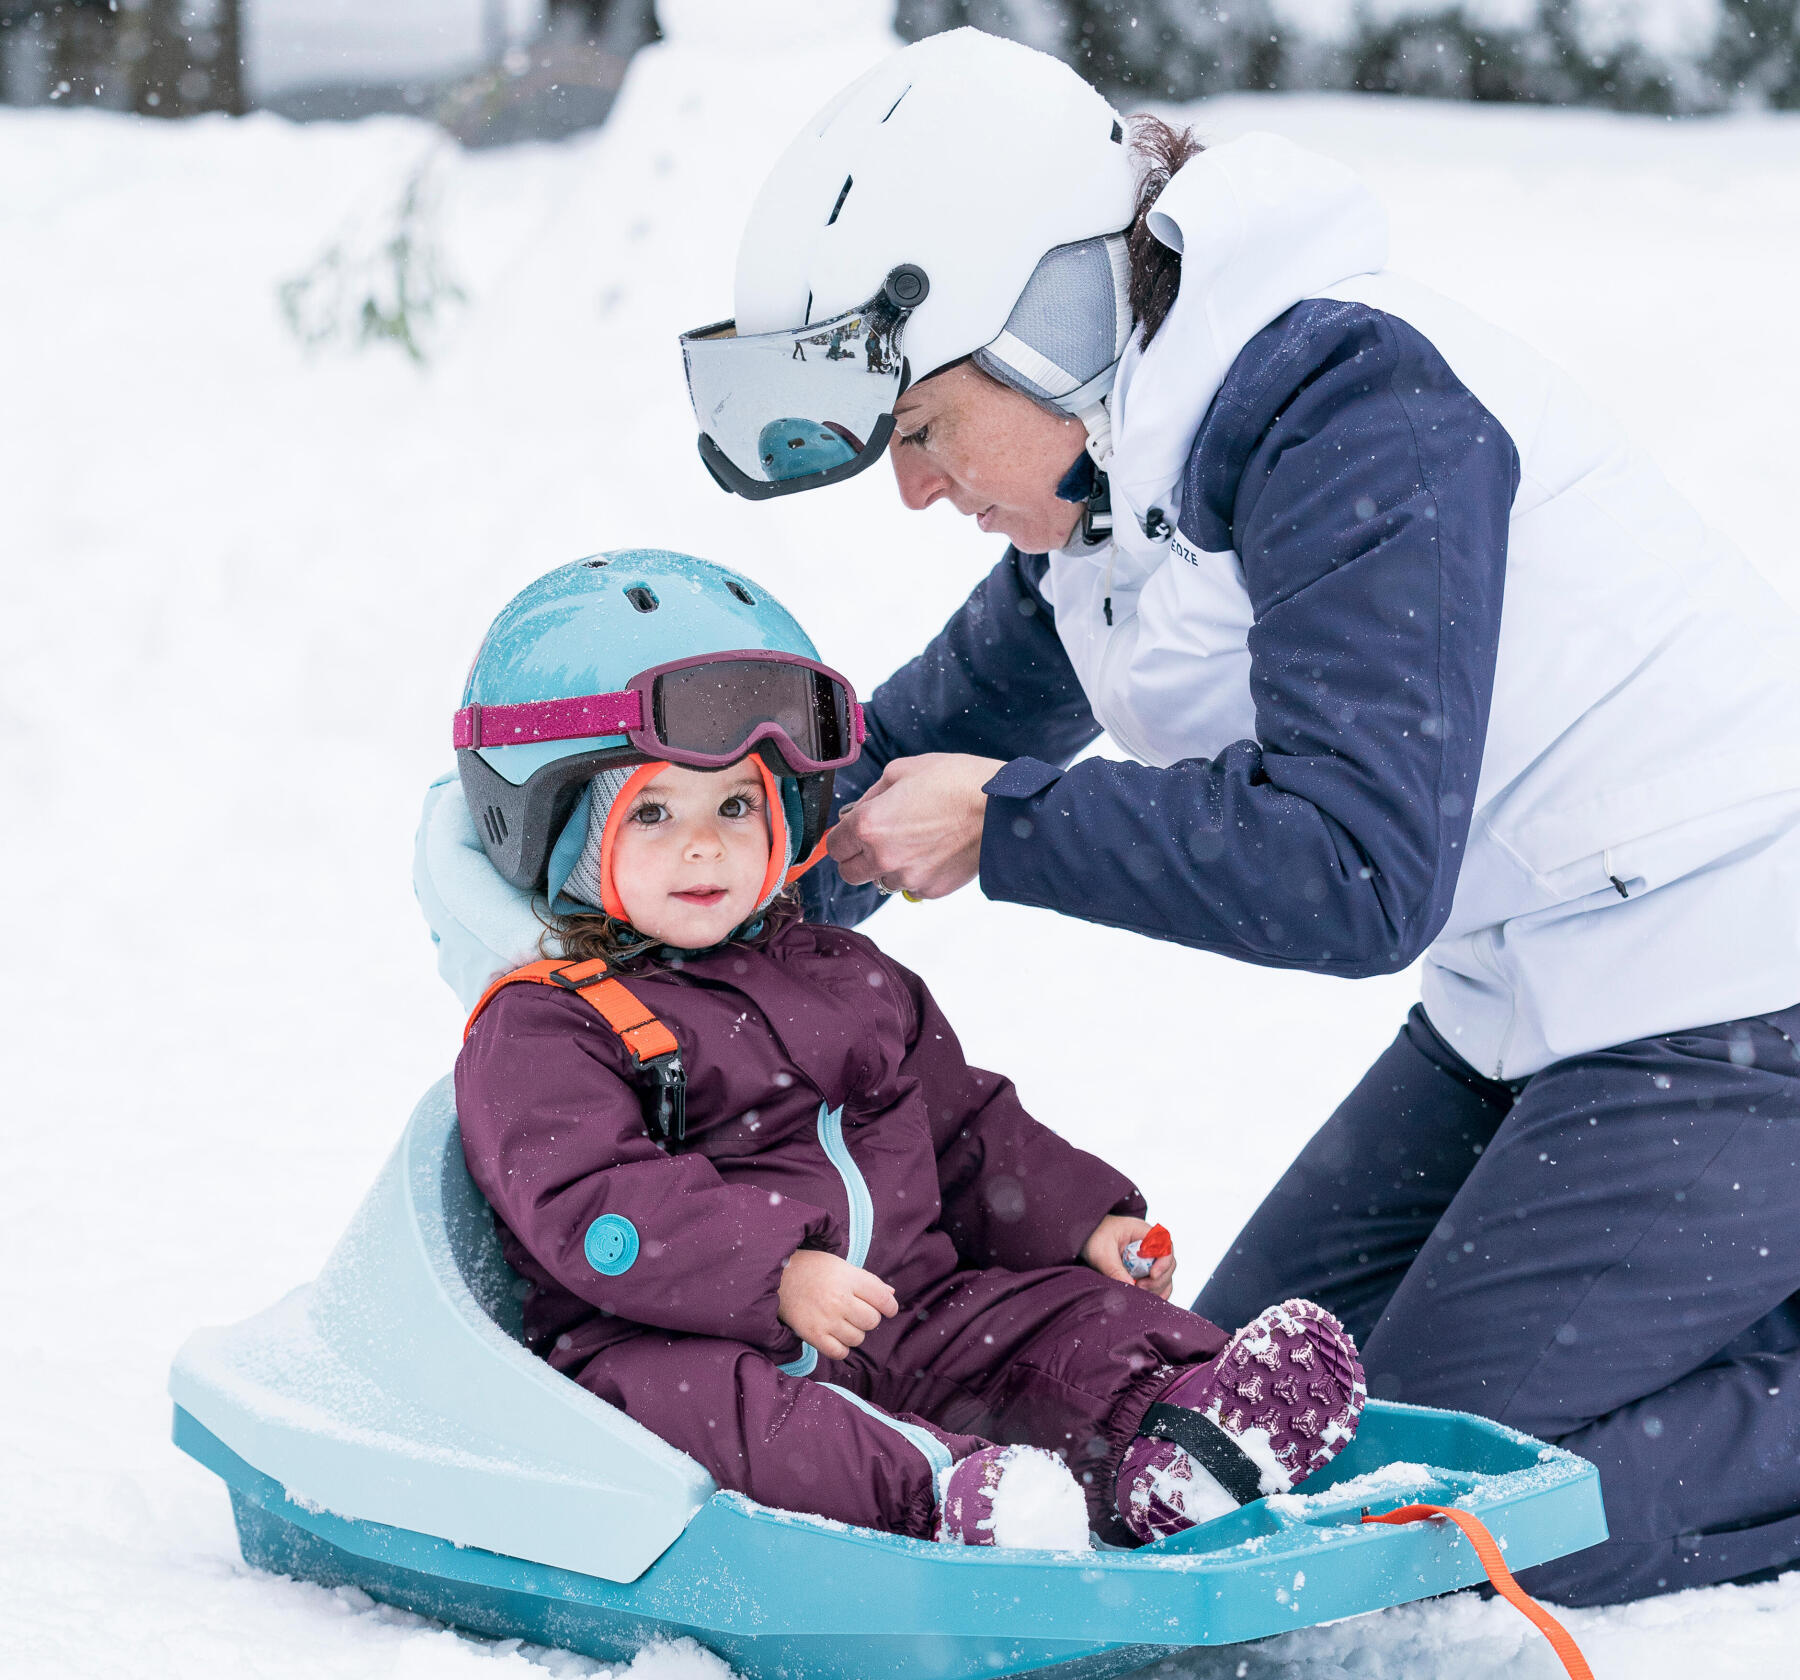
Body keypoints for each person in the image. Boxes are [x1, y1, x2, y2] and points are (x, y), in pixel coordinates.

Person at [671, 28, 1800, 1602]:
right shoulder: (1113, 483)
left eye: (923, 428)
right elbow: (903, 754)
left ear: (1049, 317)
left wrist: (1011, 827)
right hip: (1524, 1002)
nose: (913, 490)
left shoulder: (1356, 415)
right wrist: (638, 909)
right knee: (1227, 1426)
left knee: (1416, 1514)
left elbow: (1350, 868)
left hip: (1739, 986)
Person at [442, 550, 1367, 1548]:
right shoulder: (547, 1022)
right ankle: (955, 1497)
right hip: (697, 1339)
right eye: (655, 812)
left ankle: (1184, 1434)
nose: (705, 846)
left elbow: (965, 1129)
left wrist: (1083, 1224)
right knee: (698, 1410)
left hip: (907, 1311)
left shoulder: (844, 972)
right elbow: (593, 1201)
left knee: (1059, 1319)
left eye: (737, 806)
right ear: (559, 825)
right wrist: (776, 1273)